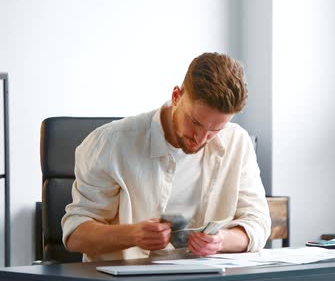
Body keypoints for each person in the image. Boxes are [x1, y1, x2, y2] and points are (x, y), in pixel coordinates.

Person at [61, 52, 271, 262]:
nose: (200, 138)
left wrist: (220, 240)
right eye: (195, 123)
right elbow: (75, 235)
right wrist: (132, 235)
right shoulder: (110, 142)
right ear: (176, 96)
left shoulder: (237, 142)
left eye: (216, 129)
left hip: (204, 280)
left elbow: (258, 222)